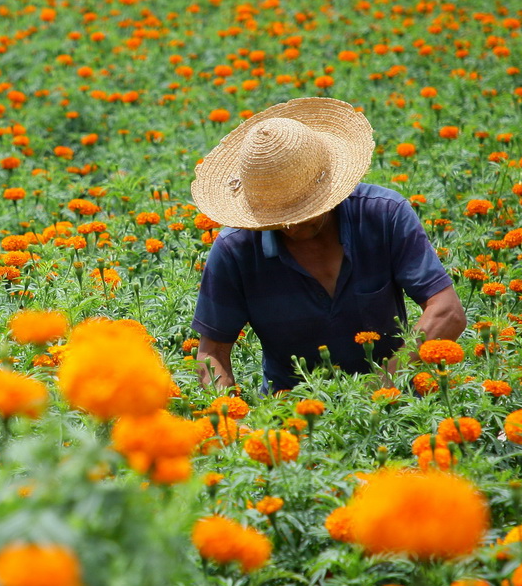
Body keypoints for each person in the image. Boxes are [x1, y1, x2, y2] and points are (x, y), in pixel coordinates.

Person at [189, 97, 466, 394]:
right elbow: (211, 353)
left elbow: (447, 312)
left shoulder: (383, 215)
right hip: (291, 412)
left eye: (301, 211)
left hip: (395, 402)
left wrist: (383, 385)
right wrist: (232, 416)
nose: (291, 225)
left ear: (326, 186)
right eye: (278, 217)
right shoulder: (236, 250)